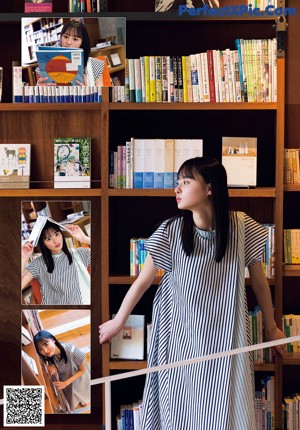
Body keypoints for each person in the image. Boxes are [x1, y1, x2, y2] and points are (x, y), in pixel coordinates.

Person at [99, 156, 285, 430]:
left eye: (185, 182)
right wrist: (118, 322)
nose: (177, 189)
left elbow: (259, 284)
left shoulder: (242, 227)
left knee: (229, 408)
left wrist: (270, 328)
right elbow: (141, 282)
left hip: (226, 336)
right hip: (179, 338)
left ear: (210, 188)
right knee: (180, 410)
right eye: (178, 183)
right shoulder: (171, 232)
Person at [22, 220, 90, 305]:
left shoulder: (79, 253)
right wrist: (24, 258)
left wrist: (84, 239)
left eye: (57, 234)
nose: (56, 241)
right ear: (43, 243)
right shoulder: (38, 264)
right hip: (57, 313)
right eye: (49, 238)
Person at [37, 19, 110, 87]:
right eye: (65, 37)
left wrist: (88, 93)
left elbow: (101, 97)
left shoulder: (95, 65)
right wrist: (39, 91)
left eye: (75, 39)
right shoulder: (44, 66)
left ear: (82, 43)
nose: (68, 42)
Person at [34, 330, 90, 412]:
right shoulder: (51, 354)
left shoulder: (71, 349)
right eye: (40, 349)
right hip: (68, 379)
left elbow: (83, 370)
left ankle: (86, 402)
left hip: (80, 379)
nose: (45, 351)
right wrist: (52, 365)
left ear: (53, 340)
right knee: (74, 396)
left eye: (46, 344)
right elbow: (51, 360)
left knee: (84, 396)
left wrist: (65, 383)